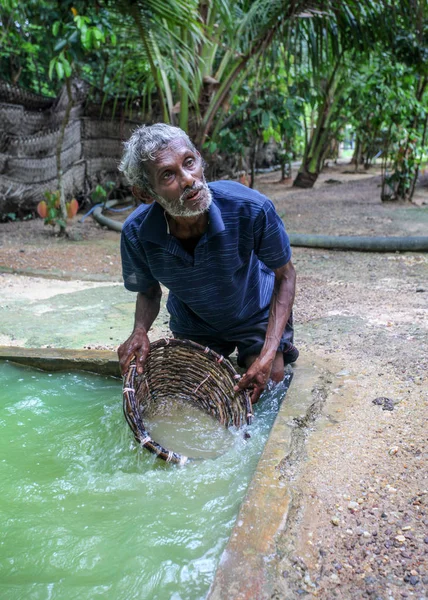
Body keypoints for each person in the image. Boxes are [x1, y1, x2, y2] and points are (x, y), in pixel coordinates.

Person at [117, 123, 298, 404]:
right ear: (145, 193)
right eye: (168, 174)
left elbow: (285, 276)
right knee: (192, 397)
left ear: (199, 158)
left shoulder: (251, 208)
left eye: (189, 163)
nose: (189, 179)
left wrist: (267, 353)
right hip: (195, 322)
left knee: (270, 381)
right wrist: (139, 331)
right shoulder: (135, 233)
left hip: (255, 312)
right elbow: (150, 291)